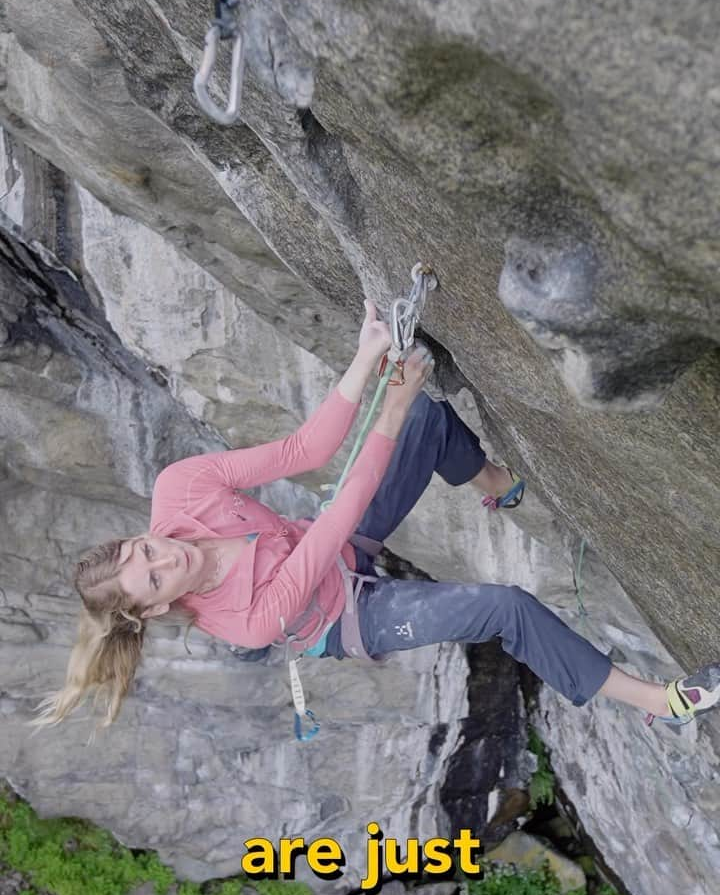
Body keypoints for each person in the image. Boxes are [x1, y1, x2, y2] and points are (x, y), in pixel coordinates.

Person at [33, 302, 719, 732]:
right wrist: (383, 409)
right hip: (349, 614)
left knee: (426, 416)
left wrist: (367, 358)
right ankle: (658, 701)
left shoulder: (181, 489)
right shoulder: (245, 621)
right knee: (506, 607)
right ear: (153, 611)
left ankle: (496, 483)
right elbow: (339, 519)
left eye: (142, 549)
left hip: (329, 545)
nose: (164, 558)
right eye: (151, 579)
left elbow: (306, 450)